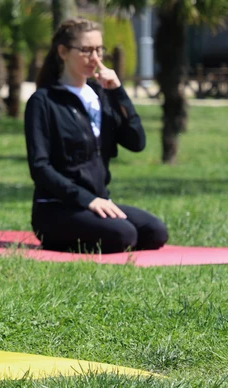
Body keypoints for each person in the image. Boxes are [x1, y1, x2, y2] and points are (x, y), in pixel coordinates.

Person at [24, 17, 168, 254]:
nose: (95, 58)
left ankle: (99, 225)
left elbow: (137, 142)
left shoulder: (101, 95)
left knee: (155, 232)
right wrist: (86, 199)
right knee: (124, 235)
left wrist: (119, 93)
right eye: (86, 50)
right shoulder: (44, 101)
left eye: (99, 50)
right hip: (56, 209)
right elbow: (40, 168)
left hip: (98, 203)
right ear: (63, 52)